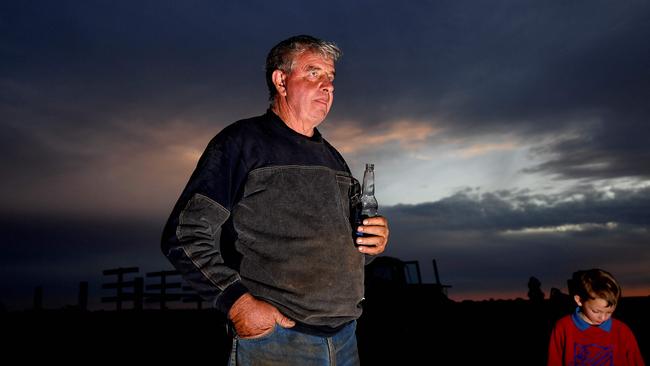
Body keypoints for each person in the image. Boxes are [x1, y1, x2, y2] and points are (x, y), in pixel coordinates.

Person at [161, 34, 390, 365]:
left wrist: (373, 242)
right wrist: (237, 303)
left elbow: (348, 250)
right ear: (281, 80)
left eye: (331, 78)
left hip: (344, 340)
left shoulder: (333, 159)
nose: (327, 86)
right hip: (277, 341)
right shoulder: (242, 144)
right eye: (313, 72)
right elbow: (184, 235)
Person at [547, 268, 645, 366]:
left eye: (609, 312)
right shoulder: (563, 327)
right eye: (596, 311)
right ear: (579, 300)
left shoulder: (622, 331)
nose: (603, 318)